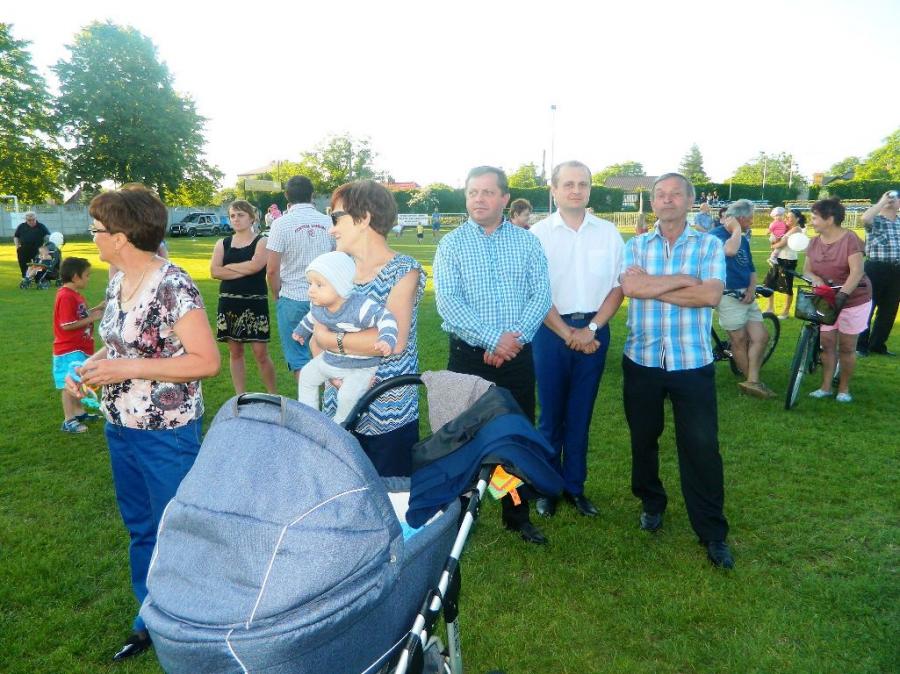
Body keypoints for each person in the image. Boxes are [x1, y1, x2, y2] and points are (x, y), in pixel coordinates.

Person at [67, 184, 220, 661]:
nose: (92, 236)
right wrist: (91, 365)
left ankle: (191, 620)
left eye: (96, 228)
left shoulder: (173, 284)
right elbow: (119, 344)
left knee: (177, 527)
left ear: (121, 237)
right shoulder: (118, 280)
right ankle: (150, 614)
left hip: (166, 432)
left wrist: (125, 368)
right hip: (121, 424)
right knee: (140, 525)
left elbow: (206, 361)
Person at [619, 173, 733, 569]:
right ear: (653, 203)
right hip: (642, 360)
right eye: (660, 194)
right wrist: (683, 281)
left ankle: (712, 532)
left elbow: (710, 295)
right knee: (643, 439)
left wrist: (654, 285)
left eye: (675, 194)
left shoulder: (708, 244)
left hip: (692, 362)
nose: (667, 200)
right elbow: (631, 290)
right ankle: (651, 502)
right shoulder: (635, 246)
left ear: (689, 201)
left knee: (701, 446)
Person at [433, 166, 552, 545]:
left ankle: (515, 514)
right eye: (473, 192)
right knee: (463, 438)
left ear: (504, 198)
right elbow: (448, 303)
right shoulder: (451, 245)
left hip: (516, 357)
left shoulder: (527, 242)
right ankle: (459, 516)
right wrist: (493, 339)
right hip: (468, 358)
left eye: (487, 192)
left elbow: (541, 294)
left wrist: (511, 341)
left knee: (515, 437)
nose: (478, 199)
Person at [530, 161, 624, 518]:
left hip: (595, 332)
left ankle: (575, 487)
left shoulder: (608, 233)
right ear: (553, 190)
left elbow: (618, 287)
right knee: (550, 415)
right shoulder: (538, 234)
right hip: (550, 332)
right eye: (568, 184)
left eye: (582, 184)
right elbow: (535, 292)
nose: (576, 190)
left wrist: (591, 329)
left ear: (589, 189)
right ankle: (547, 487)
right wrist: (569, 333)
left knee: (580, 415)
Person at [312, 180, 425, 477]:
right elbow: (314, 336)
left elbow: (392, 341)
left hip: (388, 412)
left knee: (390, 497)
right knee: (343, 491)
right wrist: (333, 371)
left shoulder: (404, 271)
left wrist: (330, 340)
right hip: (338, 408)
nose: (331, 229)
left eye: (336, 218)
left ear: (363, 218)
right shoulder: (335, 270)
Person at [293, 251, 397, 422]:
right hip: (332, 360)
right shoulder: (319, 306)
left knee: (347, 397)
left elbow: (385, 317)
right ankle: (309, 418)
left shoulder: (360, 307)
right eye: (310, 284)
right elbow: (311, 318)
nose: (311, 290)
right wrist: (301, 331)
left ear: (340, 285)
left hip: (360, 367)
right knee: (306, 376)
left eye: (319, 285)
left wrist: (386, 338)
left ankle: (340, 424)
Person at [266, 175, 334, 379]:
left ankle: (309, 398)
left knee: (299, 358)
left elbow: (272, 269)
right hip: (326, 298)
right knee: (329, 354)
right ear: (312, 195)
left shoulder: (280, 224)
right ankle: (330, 397)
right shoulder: (327, 221)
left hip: (292, 297)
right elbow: (338, 259)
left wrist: (276, 294)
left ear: (287, 196)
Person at [804, 198, 872, 402]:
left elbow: (857, 272)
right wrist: (815, 279)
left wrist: (842, 296)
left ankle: (843, 388)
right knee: (826, 343)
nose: (811, 221)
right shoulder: (814, 242)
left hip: (854, 300)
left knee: (847, 347)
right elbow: (806, 270)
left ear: (830, 219)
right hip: (827, 298)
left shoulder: (850, 239)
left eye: (815, 217)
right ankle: (825, 386)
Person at [210, 200, 277, 395]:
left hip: (254, 304)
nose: (236, 219)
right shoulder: (223, 243)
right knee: (235, 352)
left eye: (240, 215)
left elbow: (256, 266)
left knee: (261, 354)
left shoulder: (262, 241)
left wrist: (229, 268)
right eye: (232, 215)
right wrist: (243, 268)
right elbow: (215, 271)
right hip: (229, 304)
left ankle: (273, 395)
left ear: (252, 218)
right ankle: (240, 396)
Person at [710, 199, 774, 398]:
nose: (752, 222)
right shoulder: (714, 236)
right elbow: (730, 251)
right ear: (740, 218)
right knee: (738, 340)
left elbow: (751, 269)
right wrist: (736, 229)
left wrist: (751, 289)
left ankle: (752, 380)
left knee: (761, 337)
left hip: (746, 294)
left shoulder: (743, 239)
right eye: (750, 218)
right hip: (728, 295)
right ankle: (752, 381)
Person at [54, 257, 104, 433]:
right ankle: (68, 420)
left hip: (79, 348)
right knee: (69, 385)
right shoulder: (66, 296)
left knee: (78, 380)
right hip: (69, 349)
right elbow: (66, 325)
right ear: (76, 277)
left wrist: (97, 308)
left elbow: (80, 316)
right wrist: (93, 318)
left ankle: (79, 413)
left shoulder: (74, 294)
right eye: (87, 275)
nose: (89, 278)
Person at [857, 190, 899, 356]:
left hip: (896, 270)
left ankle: (877, 345)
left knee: (889, 311)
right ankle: (860, 345)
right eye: (889, 197)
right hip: (875, 268)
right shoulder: (876, 220)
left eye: (895, 198)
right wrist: (882, 201)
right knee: (867, 307)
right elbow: (865, 218)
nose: (892, 200)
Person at [765, 208, 807, 318]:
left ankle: (786, 312)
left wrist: (773, 246)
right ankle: (770, 308)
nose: (786, 219)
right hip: (778, 258)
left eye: (789, 217)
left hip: (788, 260)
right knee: (769, 283)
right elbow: (777, 238)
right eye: (786, 217)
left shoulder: (797, 229)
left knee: (787, 286)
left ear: (797, 219)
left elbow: (782, 243)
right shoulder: (787, 228)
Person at [14, 211, 50, 279]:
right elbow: (16, 237)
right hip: (24, 249)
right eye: (29, 220)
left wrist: (45, 247)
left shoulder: (41, 226)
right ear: (26, 219)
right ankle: (25, 277)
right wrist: (17, 246)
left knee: (38, 264)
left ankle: (38, 277)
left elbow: (47, 236)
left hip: (37, 249)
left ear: (36, 218)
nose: (31, 221)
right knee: (23, 264)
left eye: (33, 219)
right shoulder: (21, 226)